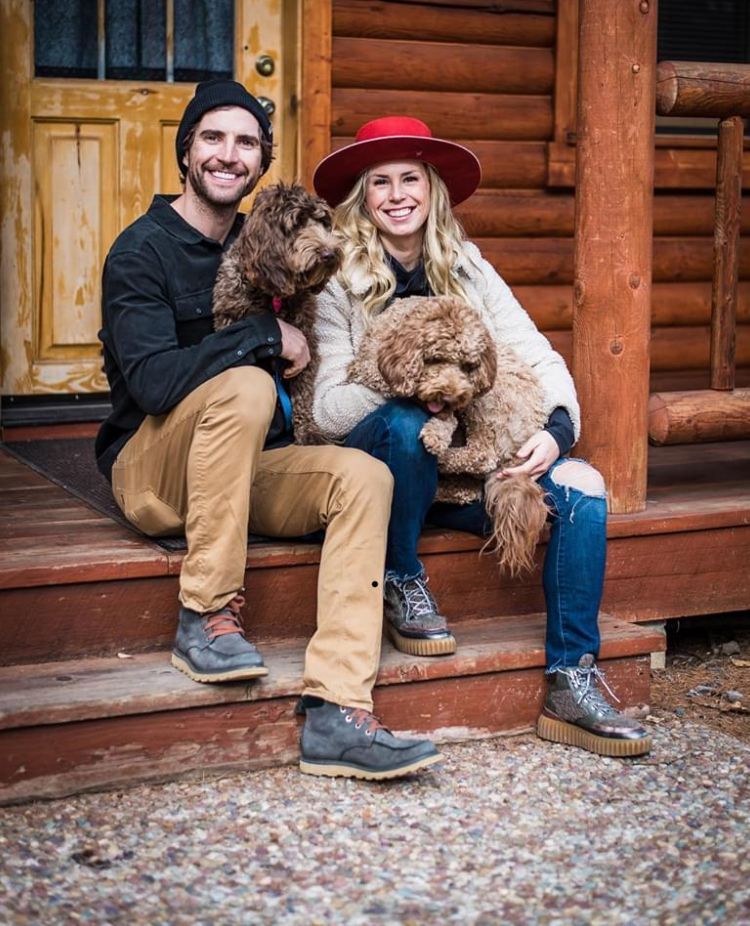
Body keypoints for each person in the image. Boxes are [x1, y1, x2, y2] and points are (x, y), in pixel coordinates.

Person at [95, 83, 440, 780]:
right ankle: (206, 613)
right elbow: (155, 385)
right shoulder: (141, 253)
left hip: (247, 470)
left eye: (246, 142)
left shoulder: (269, 246)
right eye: (213, 139)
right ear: (186, 150)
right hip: (153, 469)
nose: (228, 155)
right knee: (250, 381)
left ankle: (337, 711)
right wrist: (261, 333)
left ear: (261, 161)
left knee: (364, 477)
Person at [310, 116, 651, 757]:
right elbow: (327, 411)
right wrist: (408, 372)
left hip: (466, 470)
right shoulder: (336, 280)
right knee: (410, 424)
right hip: (379, 467)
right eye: (379, 181)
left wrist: (556, 431)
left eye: (410, 178)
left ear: (433, 189)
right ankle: (403, 577)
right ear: (362, 196)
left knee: (582, 484)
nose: (396, 194)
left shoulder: (467, 268)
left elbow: (538, 356)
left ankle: (570, 678)